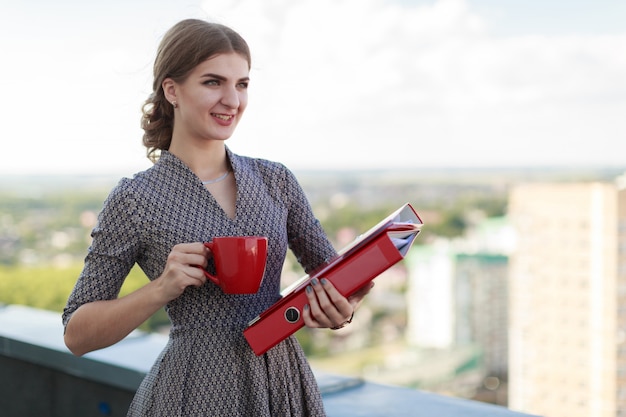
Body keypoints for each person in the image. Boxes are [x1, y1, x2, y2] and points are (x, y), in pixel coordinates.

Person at [62, 18, 372, 416]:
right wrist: (161, 288)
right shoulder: (135, 198)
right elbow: (77, 335)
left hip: (281, 383)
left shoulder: (275, 180)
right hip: (192, 392)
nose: (233, 100)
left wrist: (342, 308)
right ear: (172, 90)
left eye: (241, 84)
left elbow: (337, 277)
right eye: (213, 82)